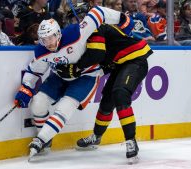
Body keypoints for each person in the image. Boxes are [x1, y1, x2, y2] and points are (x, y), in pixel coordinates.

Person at [13, 6, 130, 160]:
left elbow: (97, 13)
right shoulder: (42, 50)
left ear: (58, 34)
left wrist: (121, 18)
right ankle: (45, 140)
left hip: (86, 76)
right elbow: (35, 70)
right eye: (43, 39)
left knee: (65, 107)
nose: (47, 43)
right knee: (38, 103)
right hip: (59, 76)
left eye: (50, 38)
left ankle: (41, 139)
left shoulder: (75, 34)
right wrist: (26, 87)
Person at [55, 6, 153, 164]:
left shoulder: (94, 29)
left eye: (75, 19)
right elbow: (98, 61)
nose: (74, 23)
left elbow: (96, 55)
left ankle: (131, 140)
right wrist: (76, 69)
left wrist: (76, 68)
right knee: (107, 100)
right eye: (71, 20)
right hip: (120, 63)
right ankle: (96, 137)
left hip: (135, 59)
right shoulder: (83, 37)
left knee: (120, 94)